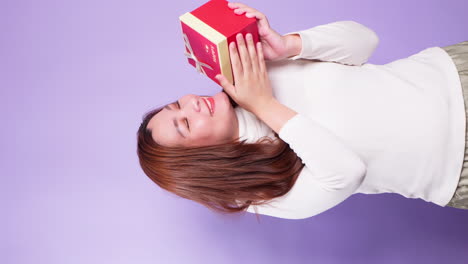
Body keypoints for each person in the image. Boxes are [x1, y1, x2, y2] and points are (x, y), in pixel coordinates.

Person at [137, 2, 468, 219]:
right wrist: (264, 105)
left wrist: (289, 45)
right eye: (185, 124)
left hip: (452, 72)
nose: (191, 104)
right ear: (201, 161)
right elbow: (348, 172)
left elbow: (365, 41)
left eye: (177, 104)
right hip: (455, 167)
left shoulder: (253, 71)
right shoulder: (266, 191)